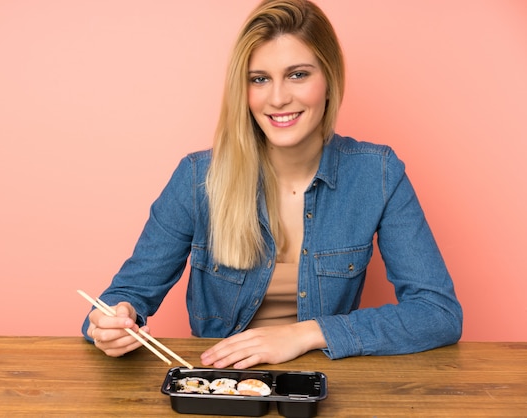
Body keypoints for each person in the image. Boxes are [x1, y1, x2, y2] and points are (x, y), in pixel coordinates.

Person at [82, 0, 462, 367]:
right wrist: (112, 323)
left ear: (329, 80)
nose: (278, 98)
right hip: (220, 389)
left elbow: (438, 313)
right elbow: (122, 298)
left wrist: (306, 334)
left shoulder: (377, 173)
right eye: (259, 79)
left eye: (298, 74)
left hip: (320, 388)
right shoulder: (198, 178)